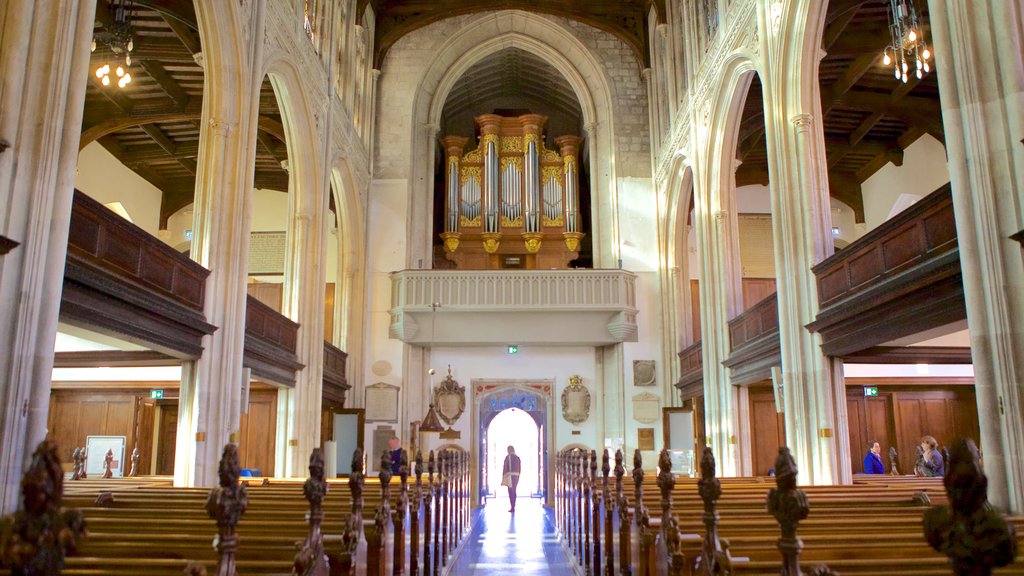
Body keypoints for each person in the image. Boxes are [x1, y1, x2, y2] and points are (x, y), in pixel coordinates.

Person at [501, 445, 521, 513]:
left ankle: (512, 506)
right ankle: (513, 505)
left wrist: (503, 476)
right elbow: (520, 468)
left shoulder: (507, 457)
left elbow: (505, 467)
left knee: (510, 491)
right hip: (516, 476)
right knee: (514, 490)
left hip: (510, 476)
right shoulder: (518, 458)